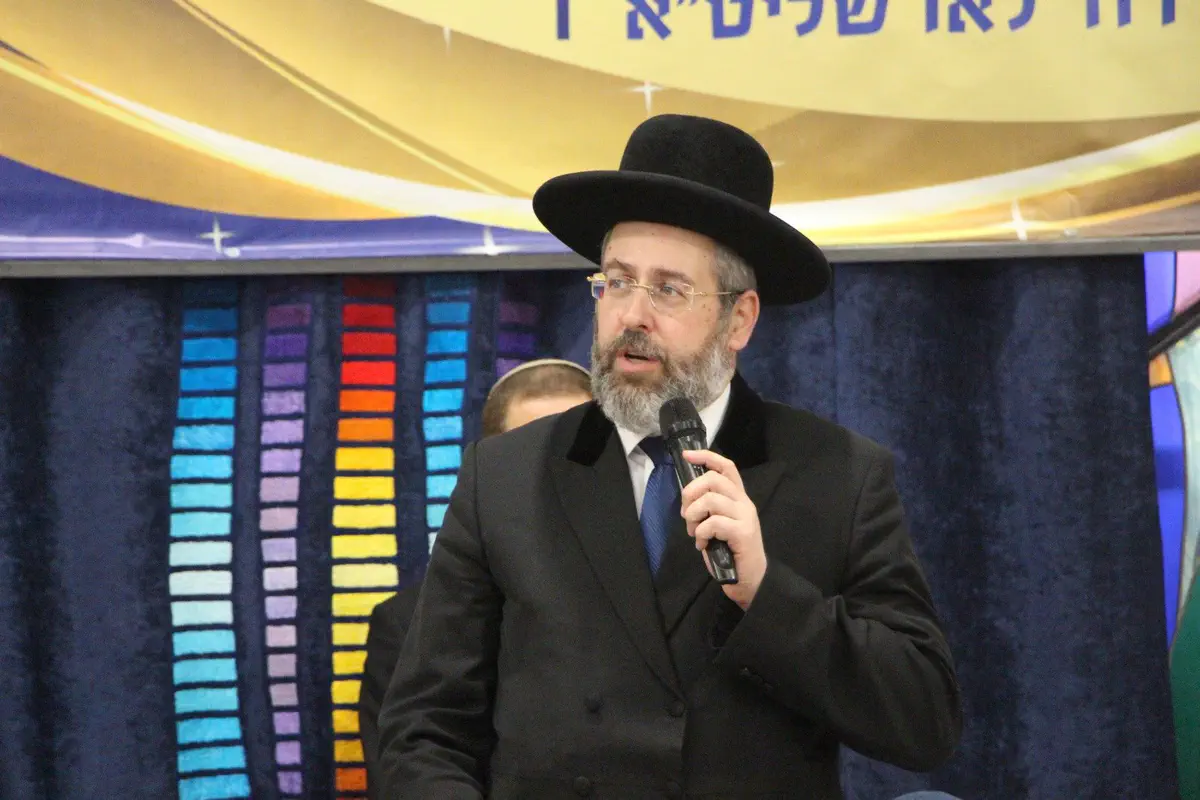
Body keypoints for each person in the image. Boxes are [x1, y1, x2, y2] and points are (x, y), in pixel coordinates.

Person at [378, 114, 962, 799]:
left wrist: (765, 593)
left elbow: (924, 721)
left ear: (739, 319)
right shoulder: (503, 476)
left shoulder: (838, 475)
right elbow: (423, 730)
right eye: (617, 282)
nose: (632, 315)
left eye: (669, 290)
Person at [358, 358, 592, 799]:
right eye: (538, 454)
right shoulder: (404, 625)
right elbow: (407, 771)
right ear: (494, 469)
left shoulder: (654, 597)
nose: (564, 477)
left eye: (579, 453)